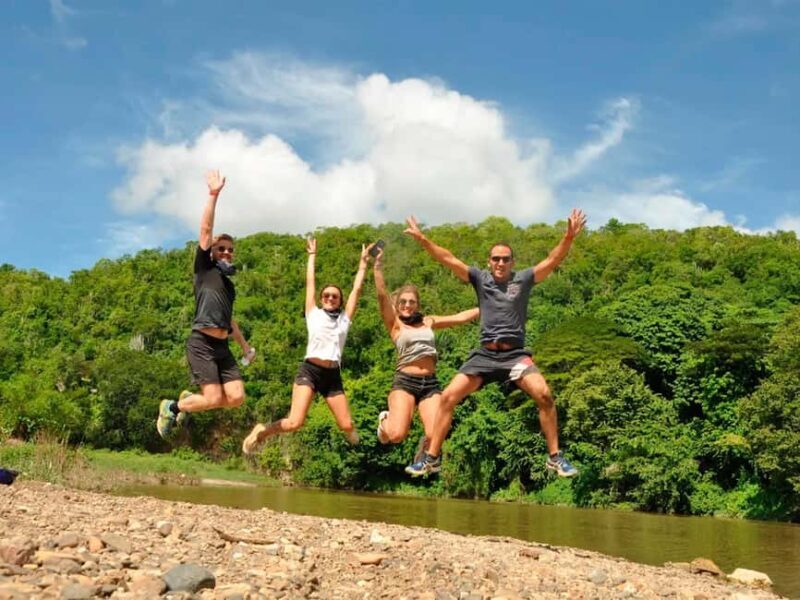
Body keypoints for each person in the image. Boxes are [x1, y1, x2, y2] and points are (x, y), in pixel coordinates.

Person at [403, 210, 587, 477]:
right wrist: (423, 239)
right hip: (485, 357)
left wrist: (568, 236)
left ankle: (555, 458)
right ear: (489, 262)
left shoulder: (522, 280)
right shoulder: (481, 279)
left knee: (545, 395)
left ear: (513, 262)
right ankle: (431, 458)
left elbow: (552, 259)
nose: (500, 263)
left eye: (505, 259)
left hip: (514, 356)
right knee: (448, 397)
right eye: (496, 259)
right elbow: (447, 258)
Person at [242, 238, 371, 453]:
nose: (330, 298)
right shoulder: (314, 314)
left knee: (347, 425)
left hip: (332, 376)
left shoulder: (344, 319)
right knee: (295, 422)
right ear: (321, 299)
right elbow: (310, 284)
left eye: (335, 296)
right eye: (326, 295)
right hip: (310, 371)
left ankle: (350, 431)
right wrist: (312, 256)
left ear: (340, 300)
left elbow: (357, 290)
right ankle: (262, 432)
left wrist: (363, 264)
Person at [156, 170, 254, 439]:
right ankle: (173, 407)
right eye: (221, 248)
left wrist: (245, 347)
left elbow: (230, 321)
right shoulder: (204, 270)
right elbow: (206, 230)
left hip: (222, 347)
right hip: (202, 343)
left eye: (230, 249)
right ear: (211, 252)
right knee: (212, 398)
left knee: (236, 398)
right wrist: (213, 195)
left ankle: (189, 401)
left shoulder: (228, 285)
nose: (226, 252)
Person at [372, 246, 479, 464]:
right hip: (405, 382)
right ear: (397, 305)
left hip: (430, 384)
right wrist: (377, 267)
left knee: (437, 433)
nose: (407, 305)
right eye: (403, 302)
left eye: (412, 302)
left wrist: (488, 306)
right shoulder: (395, 325)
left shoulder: (428, 321)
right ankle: (384, 422)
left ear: (417, 304)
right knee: (396, 435)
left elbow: (459, 318)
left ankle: (423, 452)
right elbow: (382, 296)